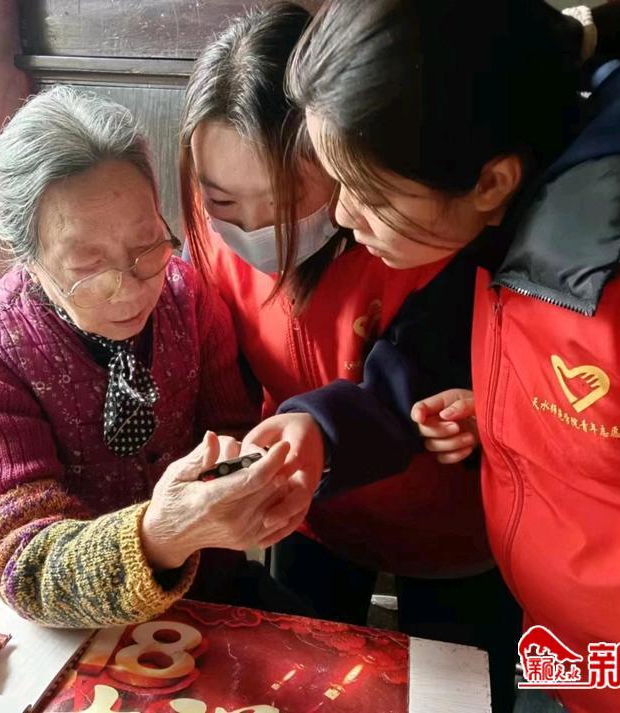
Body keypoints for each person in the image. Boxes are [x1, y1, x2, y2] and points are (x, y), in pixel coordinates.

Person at [247, 1, 620, 711]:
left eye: (370, 193)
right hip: (574, 656)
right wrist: (327, 430)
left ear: (492, 181)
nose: (344, 215)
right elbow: (435, 351)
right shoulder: (513, 220)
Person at [179, 1, 501, 635]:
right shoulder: (204, 231)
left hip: (446, 528)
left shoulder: (414, 239)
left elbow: (405, 384)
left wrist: (320, 431)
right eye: (224, 201)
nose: (255, 228)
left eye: (286, 199)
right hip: (306, 514)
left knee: (452, 675)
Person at [0, 86, 300, 628]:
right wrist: (159, 535)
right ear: (28, 259)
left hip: (214, 597)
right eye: (88, 268)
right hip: (81, 631)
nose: (131, 291)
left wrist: (258, 473)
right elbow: (23, 565)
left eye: (146, 245)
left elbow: (232, 430)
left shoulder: (186, 296)